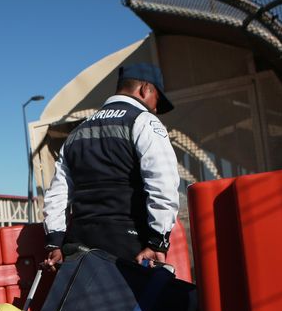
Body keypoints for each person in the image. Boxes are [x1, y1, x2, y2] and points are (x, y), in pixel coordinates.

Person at [42, 62, 180, 268]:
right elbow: (163, 184)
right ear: (145, 89)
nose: (156, 108)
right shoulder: (143, 121)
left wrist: (55, 242)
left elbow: (57, 195)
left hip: (78, 248)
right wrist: (158, 242)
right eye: (157, 99)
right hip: (128, 245)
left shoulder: (77, 133)